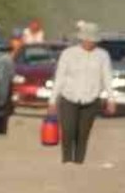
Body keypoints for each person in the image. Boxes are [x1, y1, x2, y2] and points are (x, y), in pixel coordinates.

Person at [48, 22, 116, 164]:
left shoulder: (102, 55)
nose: (90, 43)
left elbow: (107, 77)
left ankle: (79, 162)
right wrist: (52, 100)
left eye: (93, 40)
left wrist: (111, 98)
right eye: (87, 39)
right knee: (68, 131)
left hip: (91, 100)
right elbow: (59, 78)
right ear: (82, 39)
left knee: (83, 134)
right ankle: (67, 160)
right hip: (69, 98)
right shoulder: (68, 54)